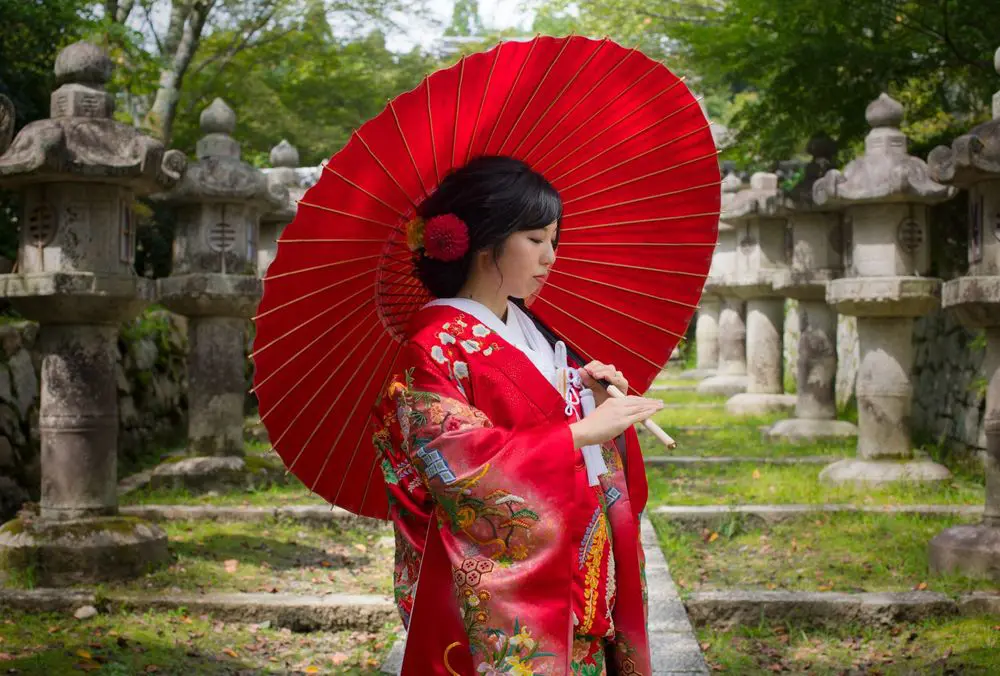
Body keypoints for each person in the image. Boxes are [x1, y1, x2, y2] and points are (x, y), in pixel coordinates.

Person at [371, 155, 665, 676]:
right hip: (517, 579)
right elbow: (454, 465)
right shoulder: (434, 346)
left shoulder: (531, 329)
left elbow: (580, 438)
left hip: (584, 564)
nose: (550, 256)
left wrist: (595, 399)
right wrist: (578, 431)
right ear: (484, 240)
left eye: (553, 239)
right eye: (534, 239)